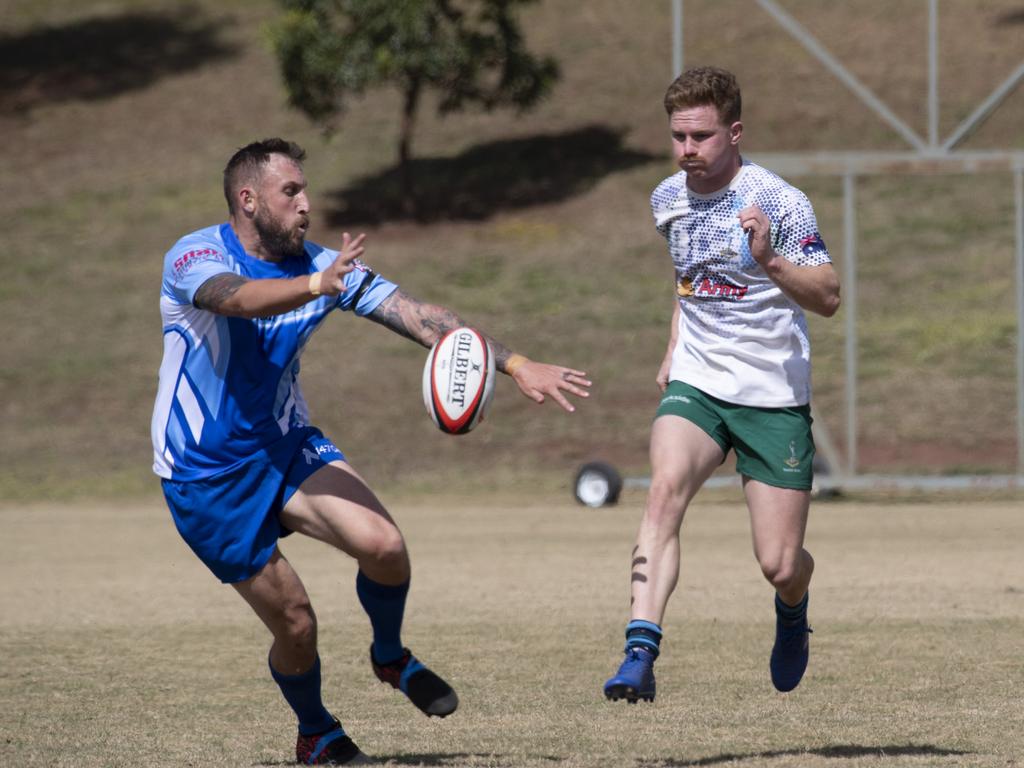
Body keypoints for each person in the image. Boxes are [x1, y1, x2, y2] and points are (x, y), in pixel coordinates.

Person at [150, 138, 591, 765]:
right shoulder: (194, 256)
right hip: (206, 475)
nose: (307, 203)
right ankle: (316, 732)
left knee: (385, 547)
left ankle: (389, 656)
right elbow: (235, 299)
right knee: (297, 624)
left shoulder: (325, 265)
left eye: (305, 189)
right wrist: (315, 284)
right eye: (291, 192)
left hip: (285, 445)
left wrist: (515, 364)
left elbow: (419, 317)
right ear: (248, 200)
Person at [602, 67, 840, 703]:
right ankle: (639, 651)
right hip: (698, 382)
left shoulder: (780, 202)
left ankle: (794, 610)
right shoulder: (667, 199)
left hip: (772, 395)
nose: (686, 150)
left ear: (734, 133)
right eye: (678, 136)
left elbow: (828, 296)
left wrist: (768, 260)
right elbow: (690, 277)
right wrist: (675, 345)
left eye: (701, 137)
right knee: (663, 495)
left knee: (780, 564)